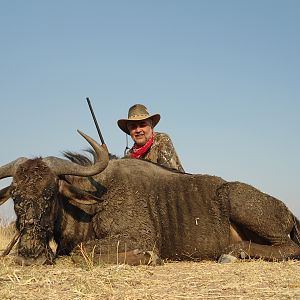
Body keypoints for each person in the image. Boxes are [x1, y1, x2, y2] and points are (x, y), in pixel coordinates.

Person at [117, 104, 185, 172]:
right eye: (133, 127)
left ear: (151, 126)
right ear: (129, 131)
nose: (138, 130)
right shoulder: (128, 156)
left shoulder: (161, 140)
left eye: (142, 125)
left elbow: (169, 176)